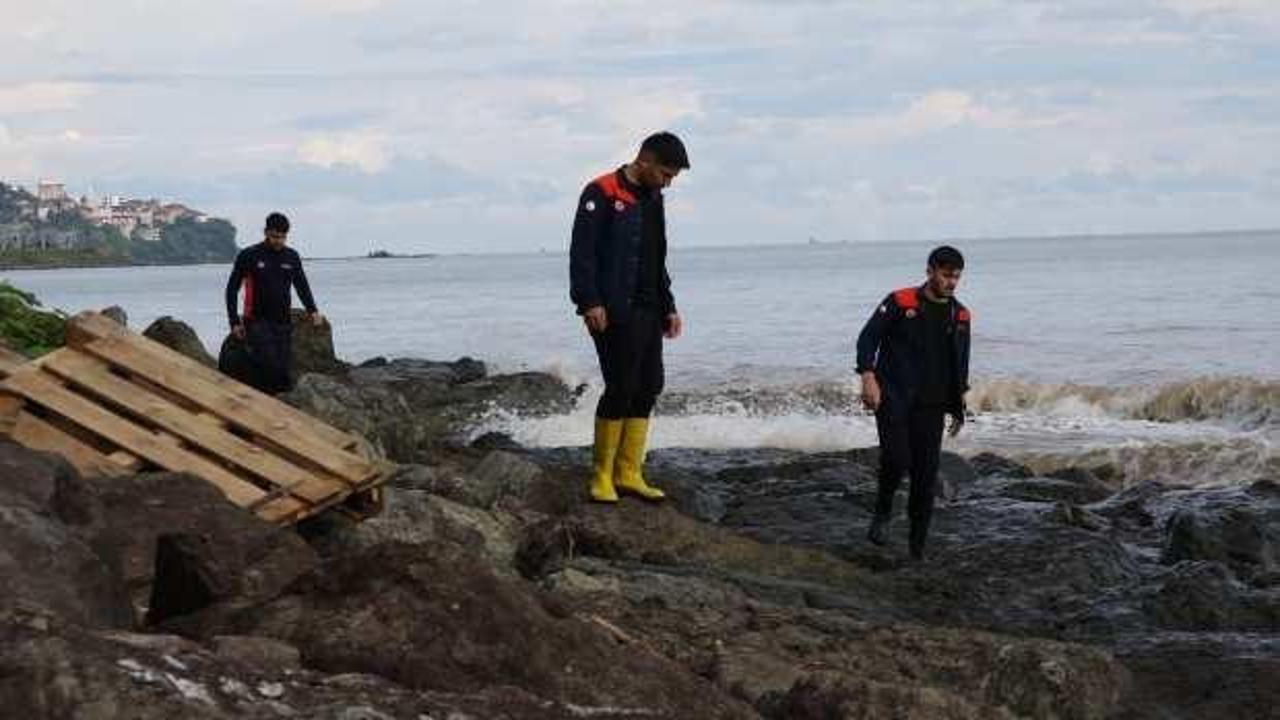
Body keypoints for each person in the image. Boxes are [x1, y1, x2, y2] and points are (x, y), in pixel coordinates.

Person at [569, 131, 689, 503]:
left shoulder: (654, 199)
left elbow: (657, 257)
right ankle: (602, 476)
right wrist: (589, 301)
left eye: (672, 178)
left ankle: (629, 472)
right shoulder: (601, 191)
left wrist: (669, 306)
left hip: (649, 307)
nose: (667, 183)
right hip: (611, 308)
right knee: (620, 385)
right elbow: (582, 254)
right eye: (665, 174)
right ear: (645, 160)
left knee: (649, 385)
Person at [855, 245, 971, 559]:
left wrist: (958, 405)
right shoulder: (900, 301)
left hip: (932, 405)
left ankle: (916, 550)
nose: (951, 282)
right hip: (893, 395)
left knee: (925, 477)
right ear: (930, 271)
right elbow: (868, 338)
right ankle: (883, 511)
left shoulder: (960, 314)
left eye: (957, 277)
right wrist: (868, 376)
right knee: (896, 459)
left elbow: (960, 362)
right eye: (946, 275)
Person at [224, 212, 324, 394]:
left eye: (282, 237)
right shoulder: (249, 255)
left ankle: (275, 402)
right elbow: (231, 289)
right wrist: (234, 321)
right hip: (256, 320)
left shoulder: (291, 256)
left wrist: (313, 311)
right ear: (266, 233)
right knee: (270, 364)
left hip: (283, 322)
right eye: (275, 236)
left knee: (282, 371)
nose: (278, 241)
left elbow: (302, 286)